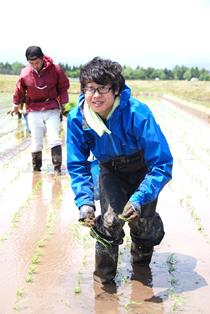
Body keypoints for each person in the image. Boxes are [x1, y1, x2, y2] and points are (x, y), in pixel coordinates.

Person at [66, 57, 173, 284]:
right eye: (90, 88)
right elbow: (77, 163)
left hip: (142, 169)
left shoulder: (137, 113)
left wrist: (140, 197)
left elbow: (162, 164)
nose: (95, 95)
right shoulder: (79, 118)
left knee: (142, 224)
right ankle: (103, 282)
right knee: (109, 222)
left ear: (115, 89)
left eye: (102, 88)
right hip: (110, 170)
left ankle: (141, 272)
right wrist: (85, 201)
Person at [8, 46, 70, 173]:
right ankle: (36, 171)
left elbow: (63, 86)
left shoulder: (55, 69)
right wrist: (15, 105)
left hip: (51, 108)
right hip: (33, 109)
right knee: (36, 141)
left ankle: (57, 170)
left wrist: (63, 103)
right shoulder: (25, 73)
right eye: (31, 63)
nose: (35, 65)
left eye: (37, 62)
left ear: (43, 58)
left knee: (54, 138)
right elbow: (19, 90)